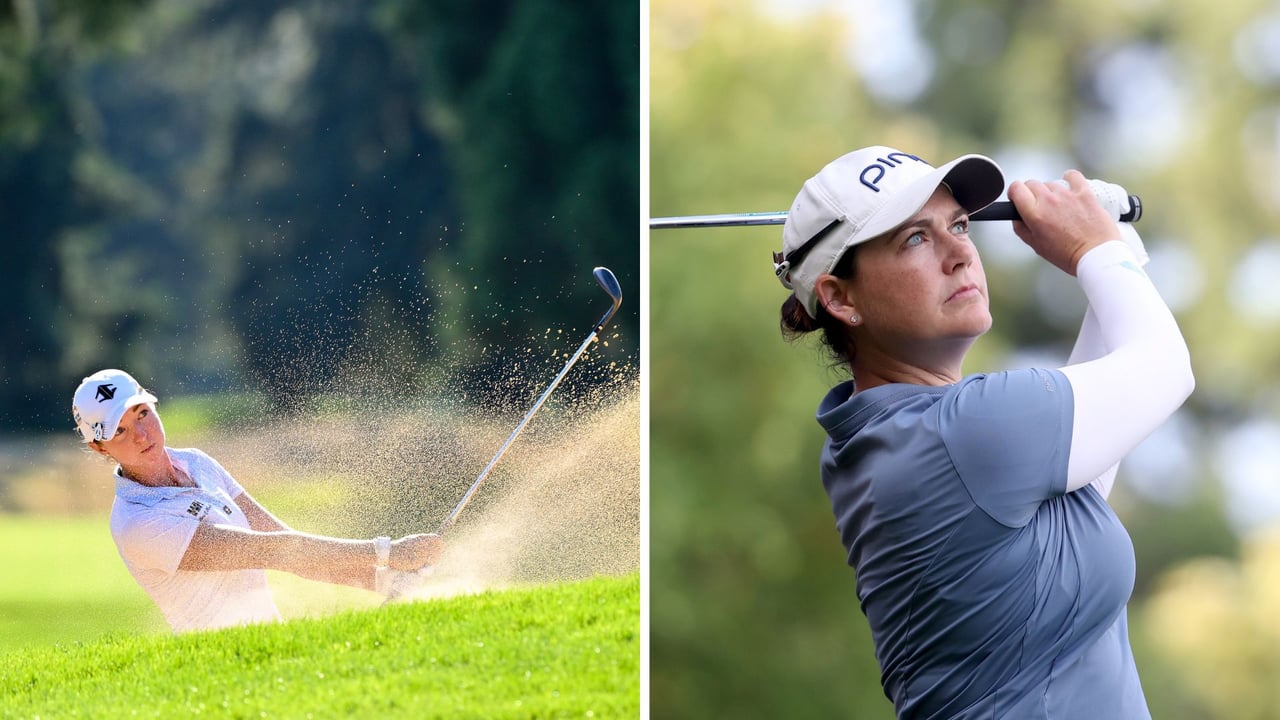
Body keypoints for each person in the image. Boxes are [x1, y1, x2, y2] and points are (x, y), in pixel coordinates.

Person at [773, 146, 1193, 719]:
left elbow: (1087, 476)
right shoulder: (963, 432)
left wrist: (1114, 245)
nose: (959, 255)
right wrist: (1095, 249)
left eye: (960, 224)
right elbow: (1165, 369)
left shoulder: (882, 439)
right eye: (915, 238)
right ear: (840, 298)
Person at [72, 368, 444, 634]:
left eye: (142, 414)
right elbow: (274, 551)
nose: (141, 434)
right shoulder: (138, 523)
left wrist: (383, 581)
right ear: (98, 445)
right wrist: (386, 552)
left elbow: (290, 547)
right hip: (215, 669)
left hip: (267, 646)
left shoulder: (198, 463)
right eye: (119, 429)